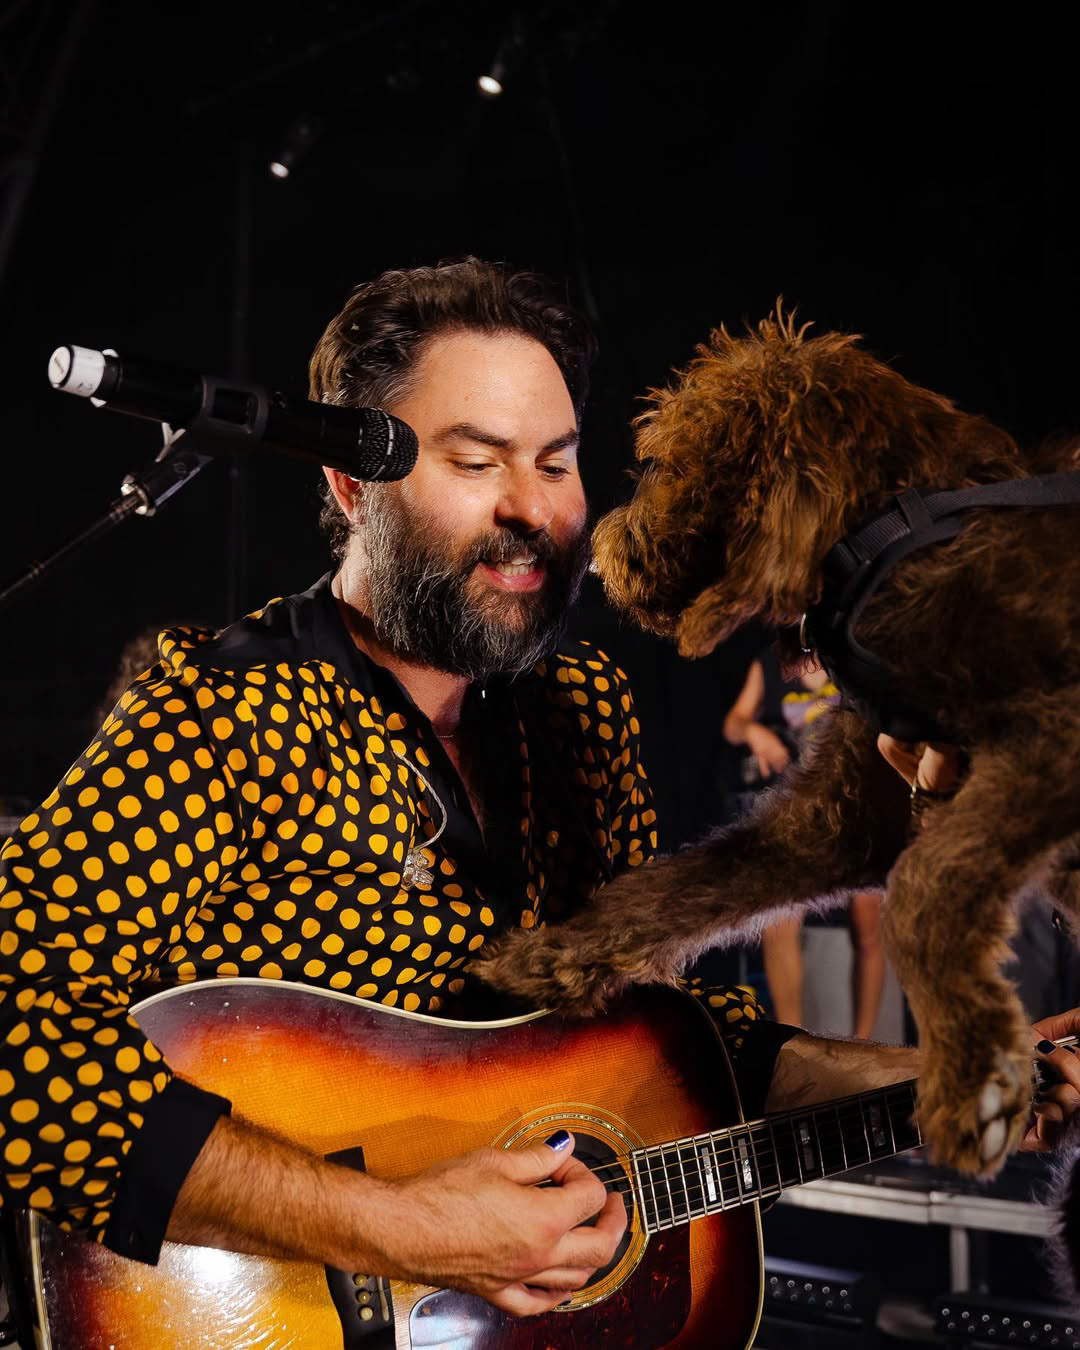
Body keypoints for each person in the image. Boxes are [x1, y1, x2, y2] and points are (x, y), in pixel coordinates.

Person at [0, 261, 1076, 1322]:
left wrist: (938, 1077)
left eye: (557, 464)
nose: (531, 508)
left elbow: (658, 1038)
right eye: (476, 462)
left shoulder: (586, 709)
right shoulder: (226, 714)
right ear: (350, 483)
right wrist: (396, 1228)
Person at [723, 654, 886, 1037]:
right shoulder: (770, 663)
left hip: (856, 806)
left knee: (868, 927)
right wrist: (754, 731)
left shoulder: (849, 653)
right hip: (798, 811)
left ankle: (864, 1043)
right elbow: (733, 723)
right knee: (779, 920)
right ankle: (791, 1038)